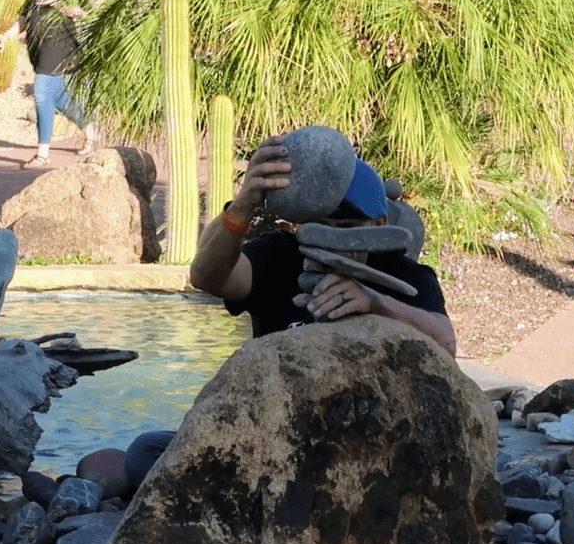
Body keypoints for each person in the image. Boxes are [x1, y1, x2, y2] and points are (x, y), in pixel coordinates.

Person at [121, 136, 457, 488]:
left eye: (346, 231)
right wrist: (243, 205)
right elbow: (207, 277)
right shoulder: (282, 255)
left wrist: (376, 303)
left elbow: (445, 344)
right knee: (146, 453)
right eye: (320, 227)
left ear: (379, 224)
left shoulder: (402, 274)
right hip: (271, 435)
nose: (331, 243)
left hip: (361, 444)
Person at [0, 0, 96, 169]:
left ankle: (43, 154)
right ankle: (90, 128)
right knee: (59, 97)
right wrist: (6, 36)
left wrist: (54, 2)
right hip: (39, 49)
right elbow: (24, 18)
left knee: (41, 91)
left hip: (61, 45)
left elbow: (81, 12)